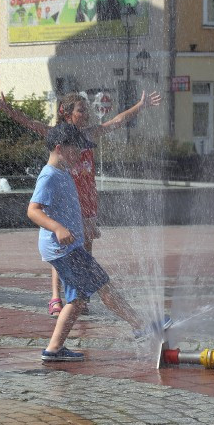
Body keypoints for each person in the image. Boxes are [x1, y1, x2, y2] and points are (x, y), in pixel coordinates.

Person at [0, 89, 161, 316]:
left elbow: (117, 121)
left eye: (86, 110)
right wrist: (8, 109)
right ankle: (56, 297)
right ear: (67, 113)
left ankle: (80, 296)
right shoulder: (57, 135)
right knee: (63, 250)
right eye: (81, 110)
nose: (86, 114)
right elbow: (30, 123)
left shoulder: (89, 135)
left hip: (87, 200)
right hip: (64, 201)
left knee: (84, 249)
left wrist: (140, 106)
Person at [29, 123, 156, 362]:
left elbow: (66, 208)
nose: (81, 153)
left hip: (69, 248)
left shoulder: (63, 172)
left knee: (79, 299)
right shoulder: (49, 176)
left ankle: (54, 349)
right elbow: (33, 211)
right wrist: (57, 228)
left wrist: (85, 226)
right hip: (63, 249)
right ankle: (140, 326)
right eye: (76, 148)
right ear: (59, 148)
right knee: (102, 286)